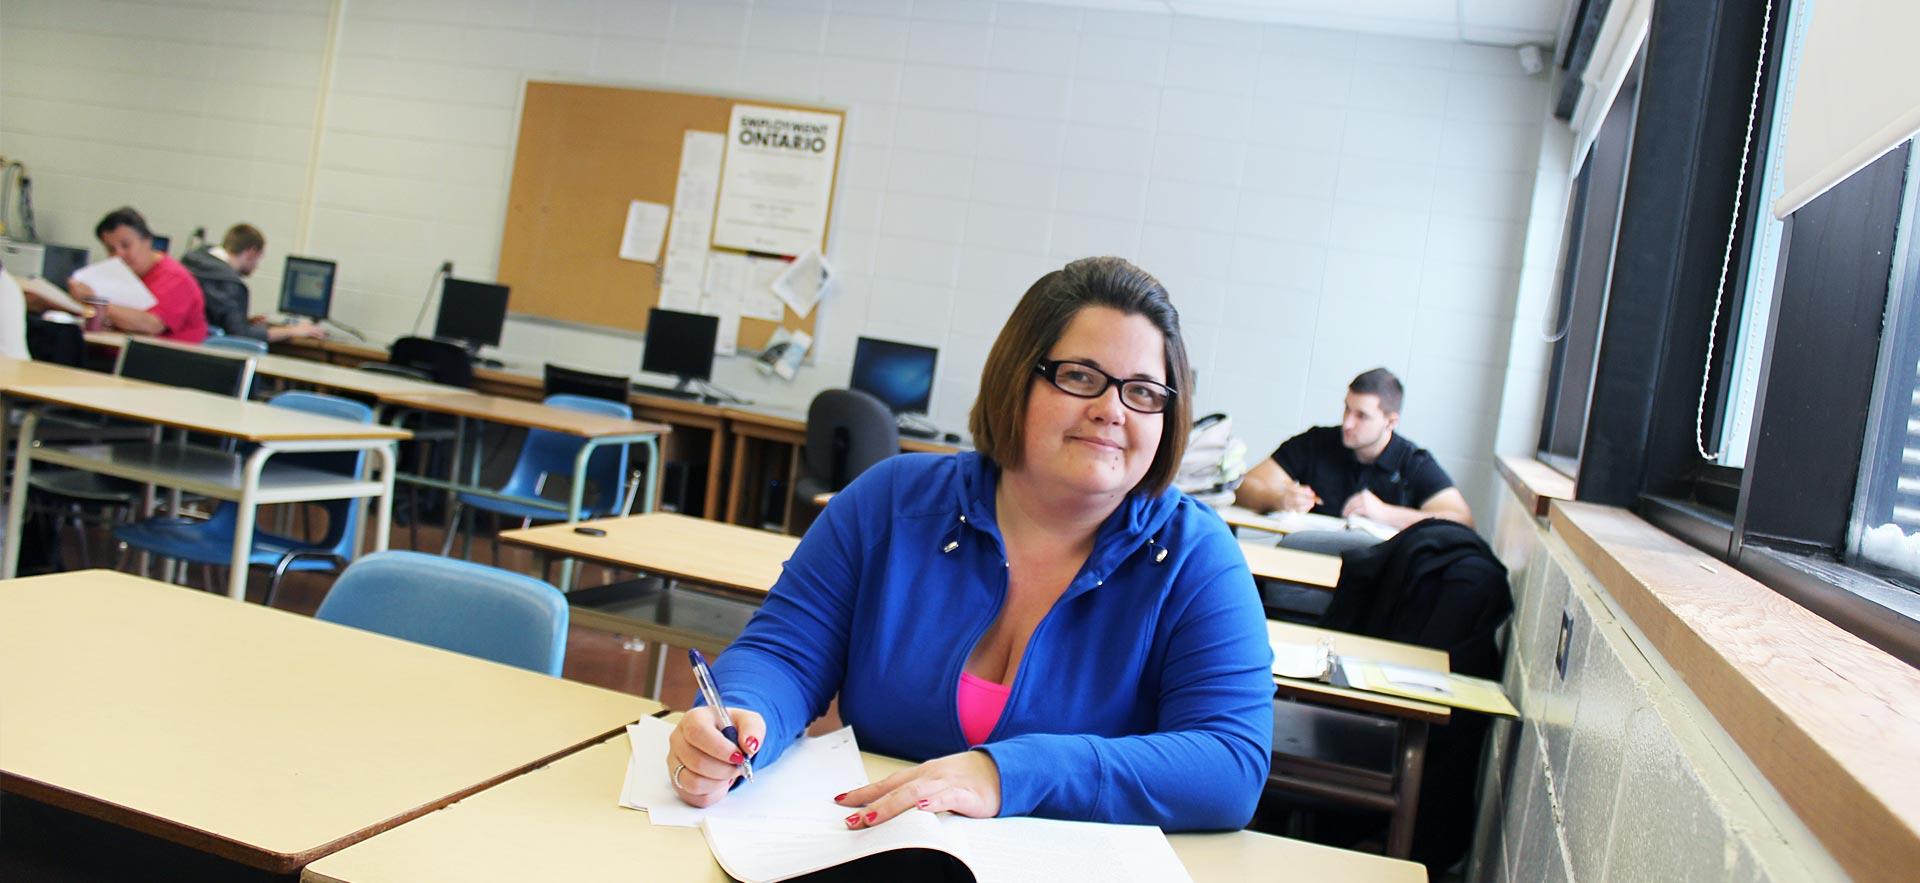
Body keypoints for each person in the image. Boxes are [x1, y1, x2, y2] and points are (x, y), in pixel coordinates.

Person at [666, 257, 1273, 832]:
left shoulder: (1196, 558)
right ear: (1018, 378)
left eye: (1143, 391)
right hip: (871, 852)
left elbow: (1229, 765)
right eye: (1081, 376)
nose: (1112, 410)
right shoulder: (891, 503)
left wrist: (1006, 773)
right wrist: (744, 716)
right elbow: (783, 654)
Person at [1236, 368, 1472, 529]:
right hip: (1308, 568)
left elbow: (1462, 521)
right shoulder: (1317, 442)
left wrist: (1385, 514)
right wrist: (1278, 499)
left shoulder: (1412, 462)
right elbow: (1243, 486)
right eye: (1347, 409)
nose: (1347, 423)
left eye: (1362, 416)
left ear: (1390, 422)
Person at [26, 207, 208, 344]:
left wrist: (92, 300)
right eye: (111, 249)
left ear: (147, 241)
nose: (119, 255)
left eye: (126, 245)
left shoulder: (176, 278)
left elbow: (151, 324)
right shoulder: (116, 274)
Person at [181, 224, 324, 343]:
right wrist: (293, 330)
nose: (257, 265)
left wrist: (244, 320)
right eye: (259, 258)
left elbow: (211, 315)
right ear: (251, 252)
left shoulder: (192, 260)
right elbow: (240, 335)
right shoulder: (230, 283)